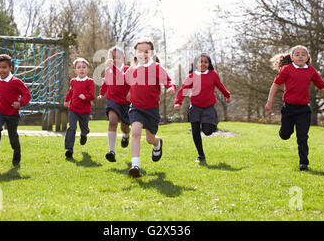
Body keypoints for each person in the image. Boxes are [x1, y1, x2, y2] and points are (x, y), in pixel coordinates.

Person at [109, 38, 176, 177]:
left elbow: (169, 81)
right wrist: (113, 68)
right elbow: (122, 80)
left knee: (149, 139)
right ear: (135, 53)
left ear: (151, 53)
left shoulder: (156, 67)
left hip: (151, 110)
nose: (143, 54)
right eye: (140, 51)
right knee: (135, 133)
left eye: (147, 52)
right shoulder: (133, 68)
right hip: (136, 108)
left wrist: (170, 87)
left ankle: (157, 143)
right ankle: (135, 166)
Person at [265, 45, 324, 171]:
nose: (300, 56)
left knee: (302, 137)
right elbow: (275, 84)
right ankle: (285, 131)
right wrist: (269, 102)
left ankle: (303, 163)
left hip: (303, 110)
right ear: (292, 58)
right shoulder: (286, 69)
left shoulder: (311, 71)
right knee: (285, 135)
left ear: (308, 58)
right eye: (297, 54)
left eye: (303, 54)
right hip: (288, 109)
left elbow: (322, 87)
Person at [174, 53, 231, 163]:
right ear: (196, 64)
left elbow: (220, 85)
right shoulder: (191, 76)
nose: (203, 64)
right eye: (201, 62)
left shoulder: (212, 75)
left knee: (207, 131)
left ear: (208, 64)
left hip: (208, 107)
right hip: (195, 107)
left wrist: (227, 95)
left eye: (206, 62)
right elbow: (183, 90)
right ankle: (201, 155)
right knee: (195, 131)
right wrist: (178, 102)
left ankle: (213, 122)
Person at [0, 54, 31, 166]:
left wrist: (20, 103)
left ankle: (17, 152)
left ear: (10, 68)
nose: (1, 70)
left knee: (12, 137)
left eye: (4, 67)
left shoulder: (16, 82)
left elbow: (27, 94)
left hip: (12, 114)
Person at [97, 46, 131, 162]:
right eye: (113, 58)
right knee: (112, 122)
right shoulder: (107, 71)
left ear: (123, 59)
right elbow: (105, 83)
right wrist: (101, 93)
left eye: (119, 58)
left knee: (125, 127)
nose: (116, 60)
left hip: (126, 103)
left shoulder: (127, 69)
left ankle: (126, 136)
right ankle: (111, 151)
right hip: (113, 101)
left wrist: (131, 92)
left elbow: (125, 80)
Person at [64, 58, 95, 159]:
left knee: (84, 128)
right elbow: (70, 92)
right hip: (73, 109)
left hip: (84, 111)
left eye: (84, 67)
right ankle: (69, 149)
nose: (81, 70)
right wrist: (66, 100)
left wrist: (85, 97)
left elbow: (92, 95)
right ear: (75, 71)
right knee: (72, 127)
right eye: (79, 68)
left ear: (88, 70)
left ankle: (84, 134)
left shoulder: (90, 82)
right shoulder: (73, 81)